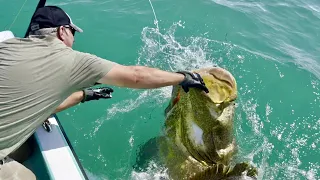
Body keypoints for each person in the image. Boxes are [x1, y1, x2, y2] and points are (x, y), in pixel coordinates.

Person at [0, 5, 209, 179]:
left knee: (26, 149)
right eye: (72, 33)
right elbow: (136, 75)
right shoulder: (71, 59)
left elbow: (38, 106)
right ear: (61, 31)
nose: (73, 39)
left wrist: (84, 95)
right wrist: (184, 77)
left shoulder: (7, 47)